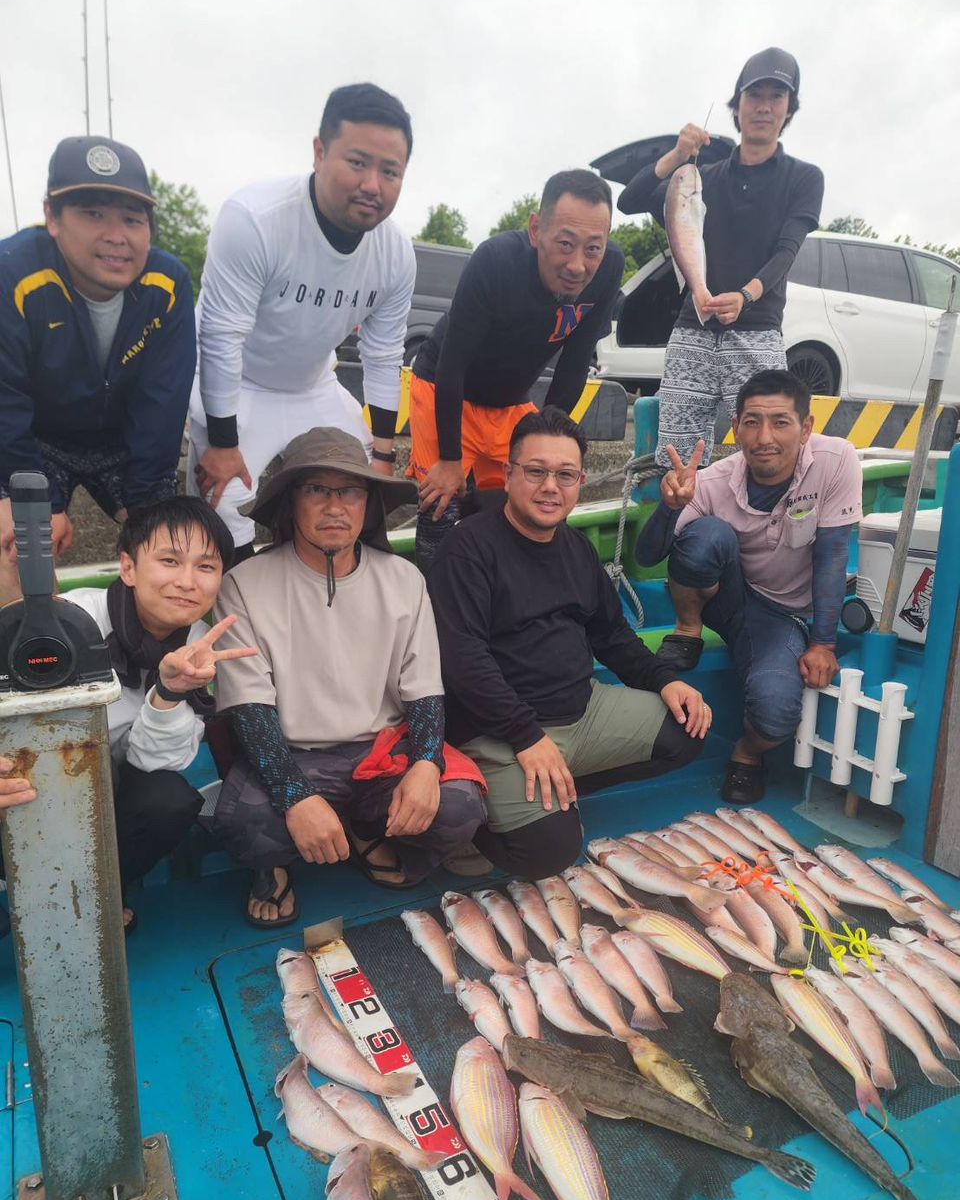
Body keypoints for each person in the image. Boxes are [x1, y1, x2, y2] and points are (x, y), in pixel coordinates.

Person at [208, 427, 488, 927]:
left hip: (378, 753)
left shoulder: (404, 579)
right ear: (290, 503)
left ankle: (365, 829)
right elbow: (250, 709)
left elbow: (423, 689)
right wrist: (295, 796)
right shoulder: (242, 585)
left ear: (369, 504)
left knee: (459, 806)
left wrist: (425, 764)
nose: (335, 506)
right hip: (291, 752)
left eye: (351, 491)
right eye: (316, 490)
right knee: (245, 823)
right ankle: (275, 865)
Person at [427, 407, 711, 879]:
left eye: (564, 475)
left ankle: (556, 788)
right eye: (536, 472)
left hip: (583, 712)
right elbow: (462, 659)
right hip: (497, 733)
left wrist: (665, 682)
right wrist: (526, 736)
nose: (550, 488)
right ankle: (479, 823)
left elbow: (612, 635)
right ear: (510, 474)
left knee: (689, 728)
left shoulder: (576, 548)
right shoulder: (468, 549)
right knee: (549, 855)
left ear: (580, 480)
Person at [0, 497, 253, 931]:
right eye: (170, 561)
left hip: (102, 783)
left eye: (206, 567)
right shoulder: (70, 620)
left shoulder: (201, 648)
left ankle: (92, 888)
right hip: (25, 780)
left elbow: (157, 763)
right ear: (128, 567)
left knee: (171, 800)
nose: (187, 581)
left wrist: (170, 691)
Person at [188, 83, 417, 560]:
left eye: (390, 171)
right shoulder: (253, 218)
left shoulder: (396, 252)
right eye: (358, 163)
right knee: (226, 511)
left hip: (313, 386)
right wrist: (222, 442)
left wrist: (384, 451)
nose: (373, 184)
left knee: (364, 492)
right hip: (235, 387)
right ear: (319, 152)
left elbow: (383, 354)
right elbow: (220, 339)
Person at [636, 369, 862, 805]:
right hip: (730, 597)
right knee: (706, 537)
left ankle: (746, 752)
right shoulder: (714, 480)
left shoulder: (837, 461)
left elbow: (833, 554)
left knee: (777, 715)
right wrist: (668, 509)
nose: (765, 438)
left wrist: (823, 645)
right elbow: (647, 557)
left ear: (807, 427)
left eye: (781, 422)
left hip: (783, 616)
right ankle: (688, 631)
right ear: (735, 427)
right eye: (752, 422)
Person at [0, 135, 197, 605]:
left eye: (132, 219)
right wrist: (30, 500)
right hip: (36, 439)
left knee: (167, 541)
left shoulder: (167, 284)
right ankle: (36, 654)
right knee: (13, 545)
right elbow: (5, 398)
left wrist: (146, 498)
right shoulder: (12, 271)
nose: (116, 235)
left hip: (120, 440)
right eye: (93, 214)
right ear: (52, 217)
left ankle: (157, 662)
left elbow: (163, 400)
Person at [617, 47, 824, 467]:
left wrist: (746, 296)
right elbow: (629, 200)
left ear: (789, 110)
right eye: (754, 95)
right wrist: (677, 156)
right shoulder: (699, 179)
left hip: (757, 332)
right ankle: (684, 530)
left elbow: (788, 249)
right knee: (676, 461)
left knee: (771, 458)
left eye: (776, 97)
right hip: (692, 330)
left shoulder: (804, 178)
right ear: (737, 106)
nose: (764, 107)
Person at [409, 169, 624, 570]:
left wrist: (549, 434)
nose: (578, 265)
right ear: (535, 229)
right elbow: (452, 363)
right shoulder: (495, 260)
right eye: (565, 244)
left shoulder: (610, 269)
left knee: (521, 506)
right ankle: (435, 611)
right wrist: (451, 461)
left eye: (593, 248)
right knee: (442, 508)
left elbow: (576, 361)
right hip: (444, 388)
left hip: (510, 401)